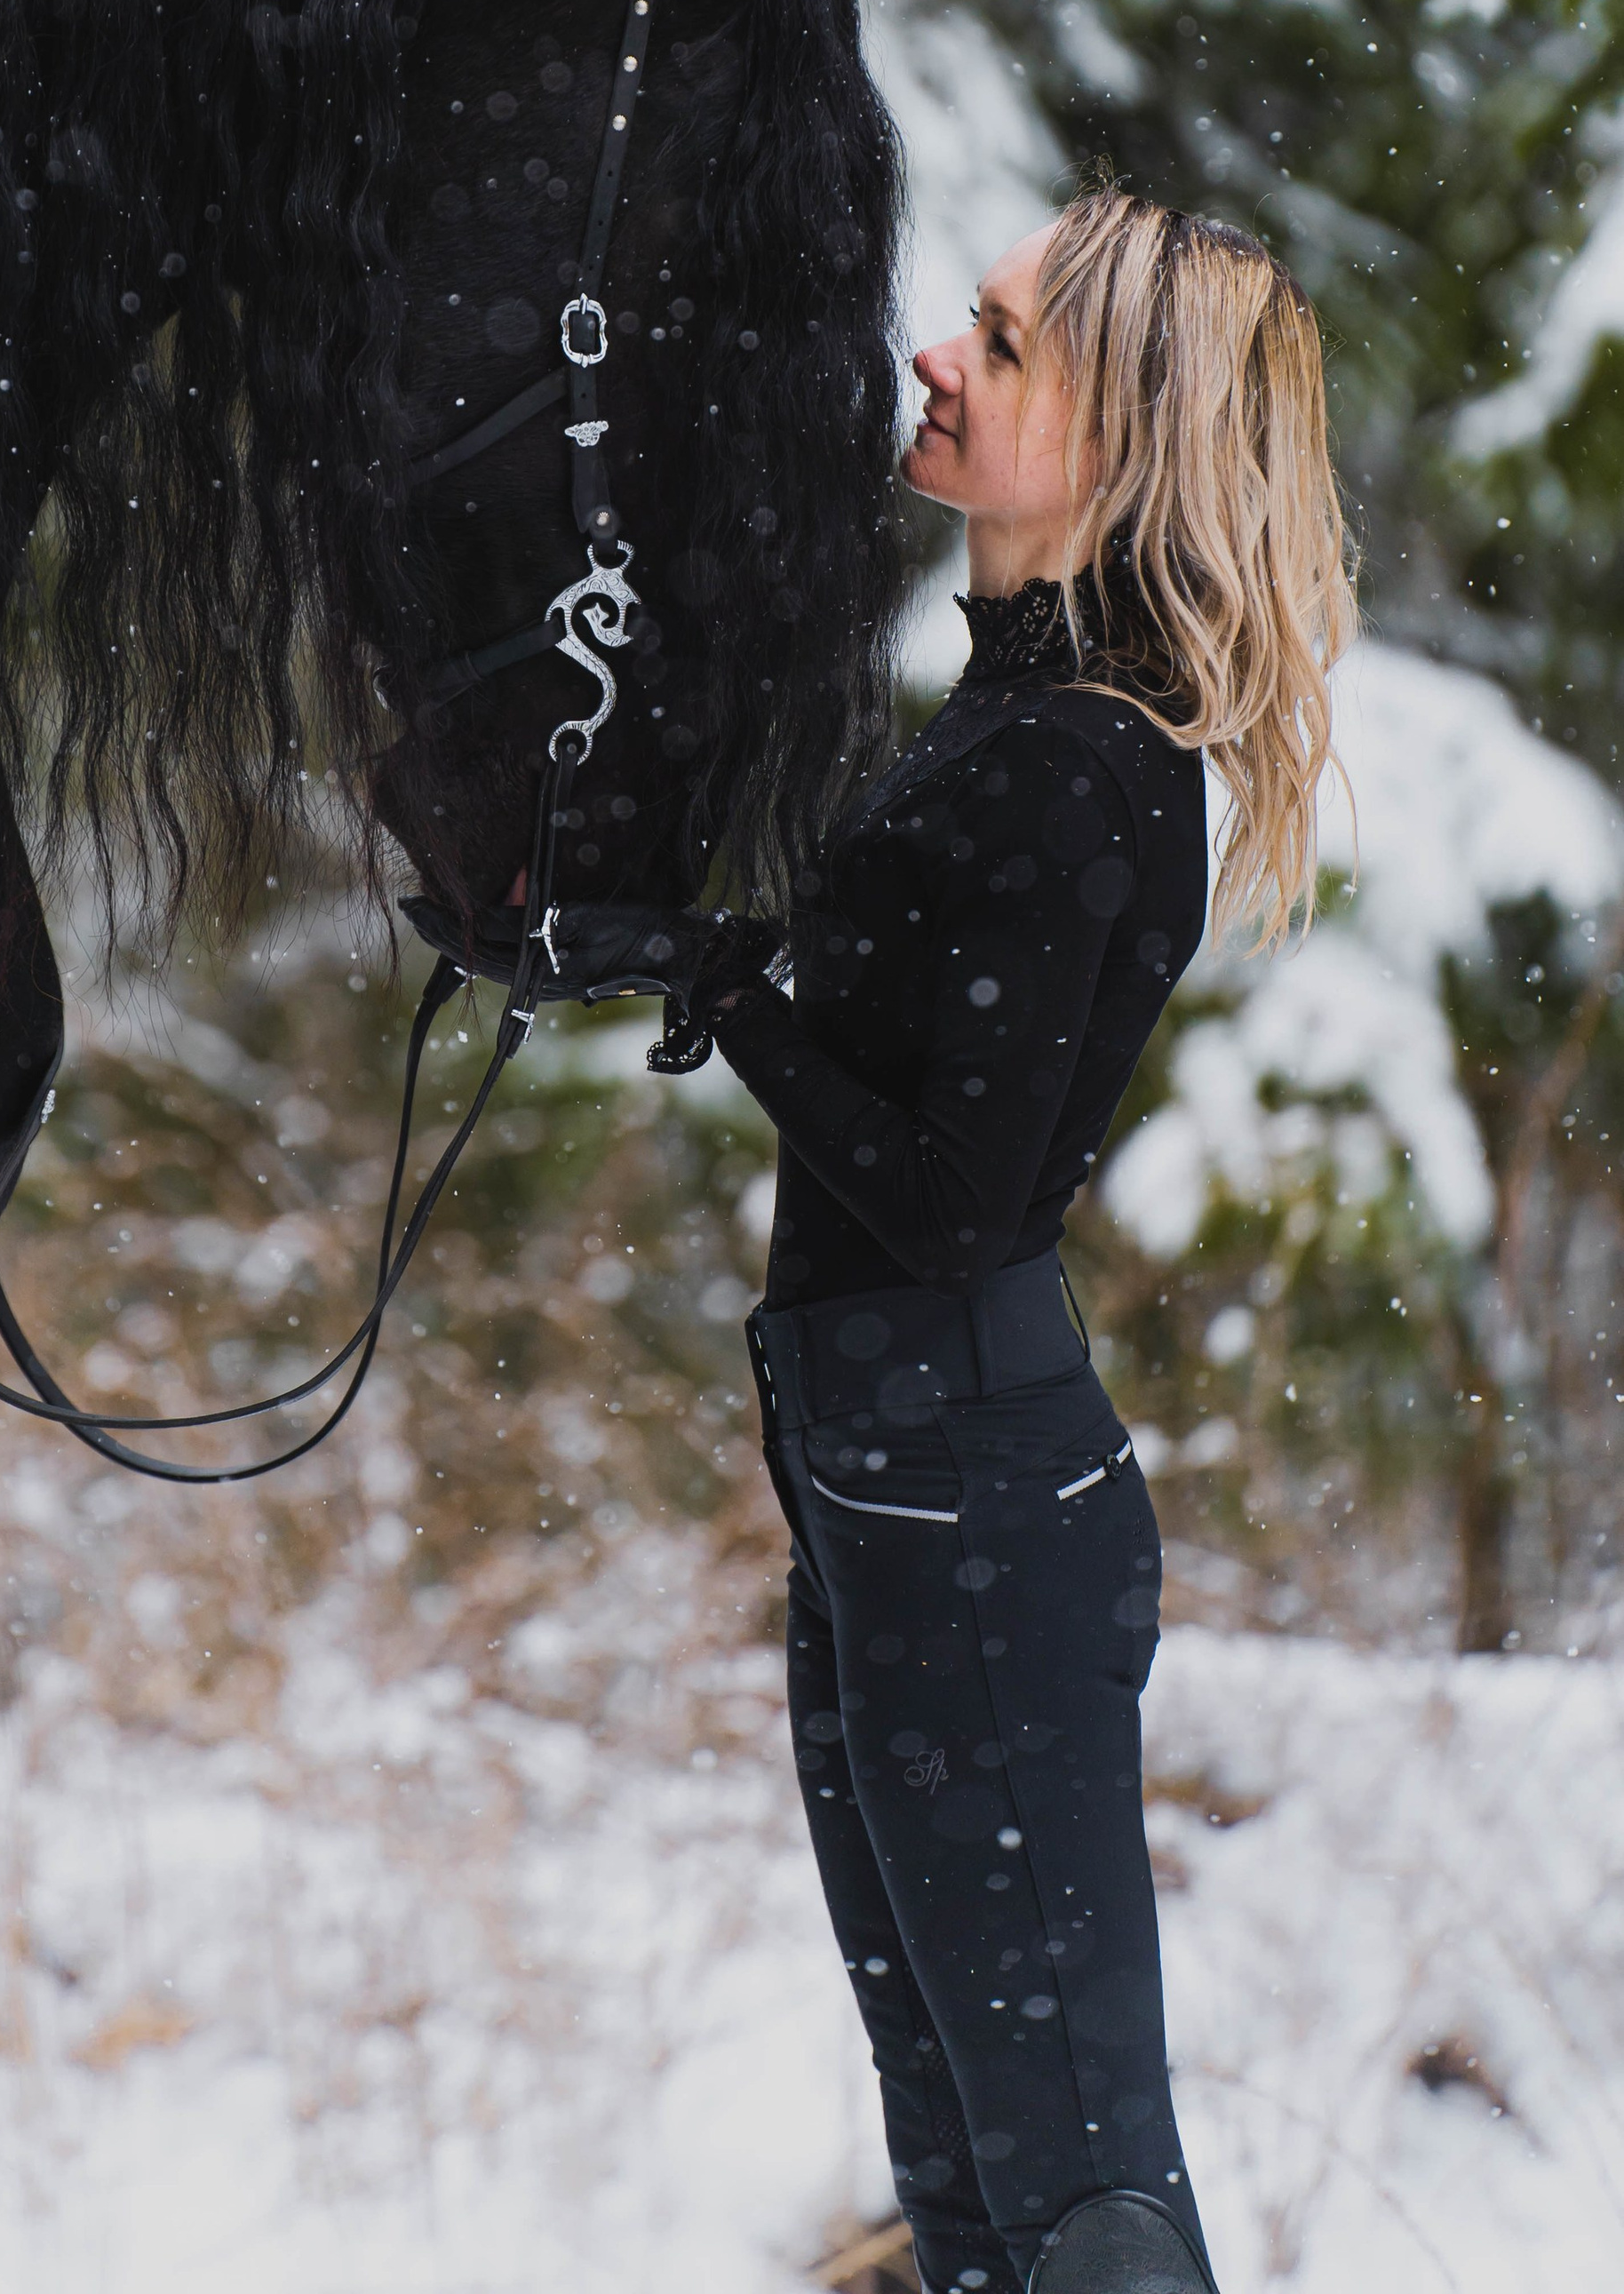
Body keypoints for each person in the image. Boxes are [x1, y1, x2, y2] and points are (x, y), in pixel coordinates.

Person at [415, 189, 1357, 2294]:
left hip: (966, 1500)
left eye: (1002, 347)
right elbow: (879, 1032)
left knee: (1076, 2195)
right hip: (892, 1481)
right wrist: (650, 934)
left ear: (1114, 445)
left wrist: (724, 981)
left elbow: (944, 1193)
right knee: (962, 2170)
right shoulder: (1011, 716)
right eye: (970, 320)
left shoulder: (1089, 766)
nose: (937, 357)